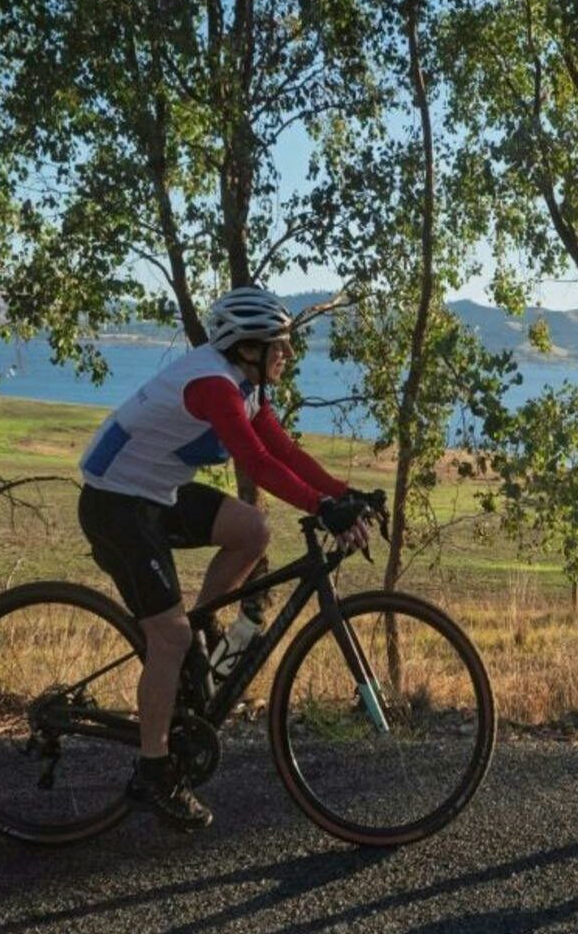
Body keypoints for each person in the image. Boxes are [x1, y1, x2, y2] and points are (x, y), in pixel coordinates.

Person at [77, 286, 373, 830]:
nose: (286, 355)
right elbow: (258, 464)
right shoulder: (214, 385)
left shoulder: (246, 385)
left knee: (252, 530)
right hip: (116, 504)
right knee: (168, 636)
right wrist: (320, 506)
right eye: (277, 345)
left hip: (153, 493)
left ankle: (200, 632)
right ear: (246, 346)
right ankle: (154, 772)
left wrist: (342, 494)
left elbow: (283, 449)